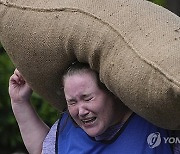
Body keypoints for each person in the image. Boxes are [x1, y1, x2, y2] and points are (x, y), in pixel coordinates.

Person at [9, 62, 178, 154]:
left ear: (112, 91)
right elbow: (43, 151)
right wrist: (19, 102)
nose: (81, 111)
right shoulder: (69, 127)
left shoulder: (156, 119)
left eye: (87, 98)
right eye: (72, 102)